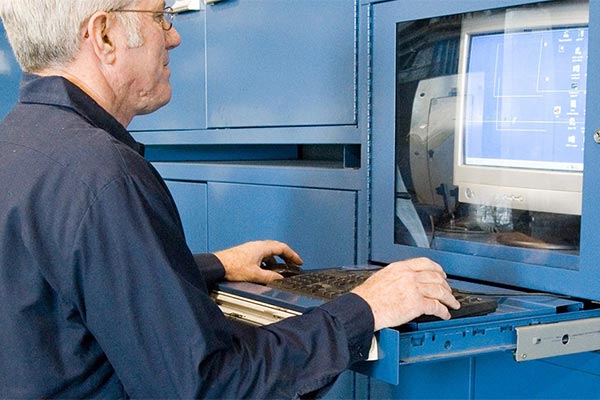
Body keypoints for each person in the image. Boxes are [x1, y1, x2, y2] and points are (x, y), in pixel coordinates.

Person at [0, 0, 460, 398]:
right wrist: (366, 309)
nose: (175, 36)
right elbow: (211, 387)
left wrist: (215, 265)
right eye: (161, 16)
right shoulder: (103, 175)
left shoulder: (18, 146)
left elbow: (69, 280)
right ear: (103, 35)